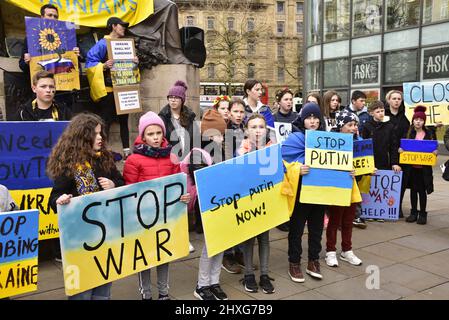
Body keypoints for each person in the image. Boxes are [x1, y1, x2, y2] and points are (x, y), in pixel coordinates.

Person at [47, 113, 125, 300]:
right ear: (82, 137)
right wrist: (61, 199)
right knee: (81, 293)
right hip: (79, 239)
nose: (100, 138)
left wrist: (114, 185)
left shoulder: (104, 158)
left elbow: (121, 183)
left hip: (105, 234)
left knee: (103, 290)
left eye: (101, 134)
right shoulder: (68, 164)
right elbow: (54, 197)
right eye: (95, 134)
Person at [122, 111, 190, 300]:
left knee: (163, 255)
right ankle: (146, 294)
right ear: (143, 136)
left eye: (158, 133)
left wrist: (184, 196)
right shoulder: (134, 160)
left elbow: (179, 185)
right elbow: (129, 190)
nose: (155, 138)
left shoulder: (172, 157)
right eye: (150, 134)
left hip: (166, 216)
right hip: (143, 218)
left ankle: (163, 292)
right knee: (144, 258)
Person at [281, 102, 327, 282]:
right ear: (303, 120)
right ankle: (294, 262)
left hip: (320, 191)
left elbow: (337, 163)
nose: (313, 121)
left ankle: (314, 260)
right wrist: (297, 169)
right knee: (296, 229)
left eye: (316, 117)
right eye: (309, 117)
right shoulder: (294, 139)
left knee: (316, 229)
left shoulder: (327, 140)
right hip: (300, 192)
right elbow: (283, 163)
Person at [85, 17, 138, 160]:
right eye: (122, 26)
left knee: (124, 121)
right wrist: (103, 66)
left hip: (123, 89)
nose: (124, 28)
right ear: (113, 26)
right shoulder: (103, 44)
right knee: (105, 122)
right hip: (108, 90)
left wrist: (134, 63)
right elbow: (89, 62)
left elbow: (131, 69)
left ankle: (127, 151)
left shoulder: (126, 45)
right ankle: (103, 151)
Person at [237, 114, 275, 294]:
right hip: (248, 200)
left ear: (266, 129)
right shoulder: (242, 149)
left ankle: (265, 274)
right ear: (246, 131)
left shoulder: (272, 147)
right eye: (253, 127)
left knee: (264, 239)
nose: (258, 130)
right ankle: (249, 274)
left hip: (266, 199)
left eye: (261, 126)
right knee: (248, 238)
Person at [19, 4, 82, 110]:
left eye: (55, 16)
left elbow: (77, 65)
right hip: (42, 95)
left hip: (64, 93)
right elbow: (22, 66)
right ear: (42, 17)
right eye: (50, 15)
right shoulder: (30, 39)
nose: (53, 18)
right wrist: (26, 61)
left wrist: (77, 56)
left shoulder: (68, 38)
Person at [325, 110, 363, 267]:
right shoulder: (330, 142)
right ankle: (330, 251)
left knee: (348, 220)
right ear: (341, 126)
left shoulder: (359, 143)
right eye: (350, 125)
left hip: (352, 187)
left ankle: (347, 250)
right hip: (337, 187)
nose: (354, 128)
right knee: (334, 220)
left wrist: (360, 171)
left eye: (355, 125)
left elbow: (362, 167)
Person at [362, 100, 401, 222]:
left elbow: (394, 146)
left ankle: (380, 211)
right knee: (369, 187)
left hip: (384, 160)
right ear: (372, 113)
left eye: (382, 110)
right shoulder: (367, 126)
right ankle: (368, 211)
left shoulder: (389, 126)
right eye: (378, 111)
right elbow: (363, 144)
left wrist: (394, 162)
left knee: (381, 189)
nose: (381, 113)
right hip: (370, 161)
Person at [221, 99, 246, 274]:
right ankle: (227, 255)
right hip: (228, 179)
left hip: (243, 179)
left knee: (241, 218)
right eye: (235, 111)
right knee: (229, 219)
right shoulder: (223, 131)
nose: (238, 115)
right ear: (229, 113)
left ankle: (239, 251)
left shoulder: (247, 129)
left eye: (241, 112)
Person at [401, 106, 435, 225]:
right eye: (416, 119)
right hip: (411, 168)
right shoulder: (409, 133)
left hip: (423, 169)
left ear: (424, 121)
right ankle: (413, 212)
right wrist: (401, 150)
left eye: (421, 119)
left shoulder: (429, 133)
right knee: (413, 191)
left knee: (422, 191)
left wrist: (434, 152)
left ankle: (422, 214)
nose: (418, 121)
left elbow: (433, 148)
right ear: (413, 120)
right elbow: (404, 147)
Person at [384, 90, 410, 218]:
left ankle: (397, 206)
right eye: (394, 98)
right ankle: (386, 207)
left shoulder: (406, 115)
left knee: (402, 182)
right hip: (387, 153)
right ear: (388, 100)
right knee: (387, 182)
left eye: (399, 99)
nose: (396, 101)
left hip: (402, 152)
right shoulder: (383, 114)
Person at [159, 80, 198, 161]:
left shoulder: (190, 117)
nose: (173, 100)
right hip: (170, 159)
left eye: (176, 97)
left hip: (188, 159)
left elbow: (196, 139)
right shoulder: (162, 118)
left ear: (182, 100)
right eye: (170, 97)